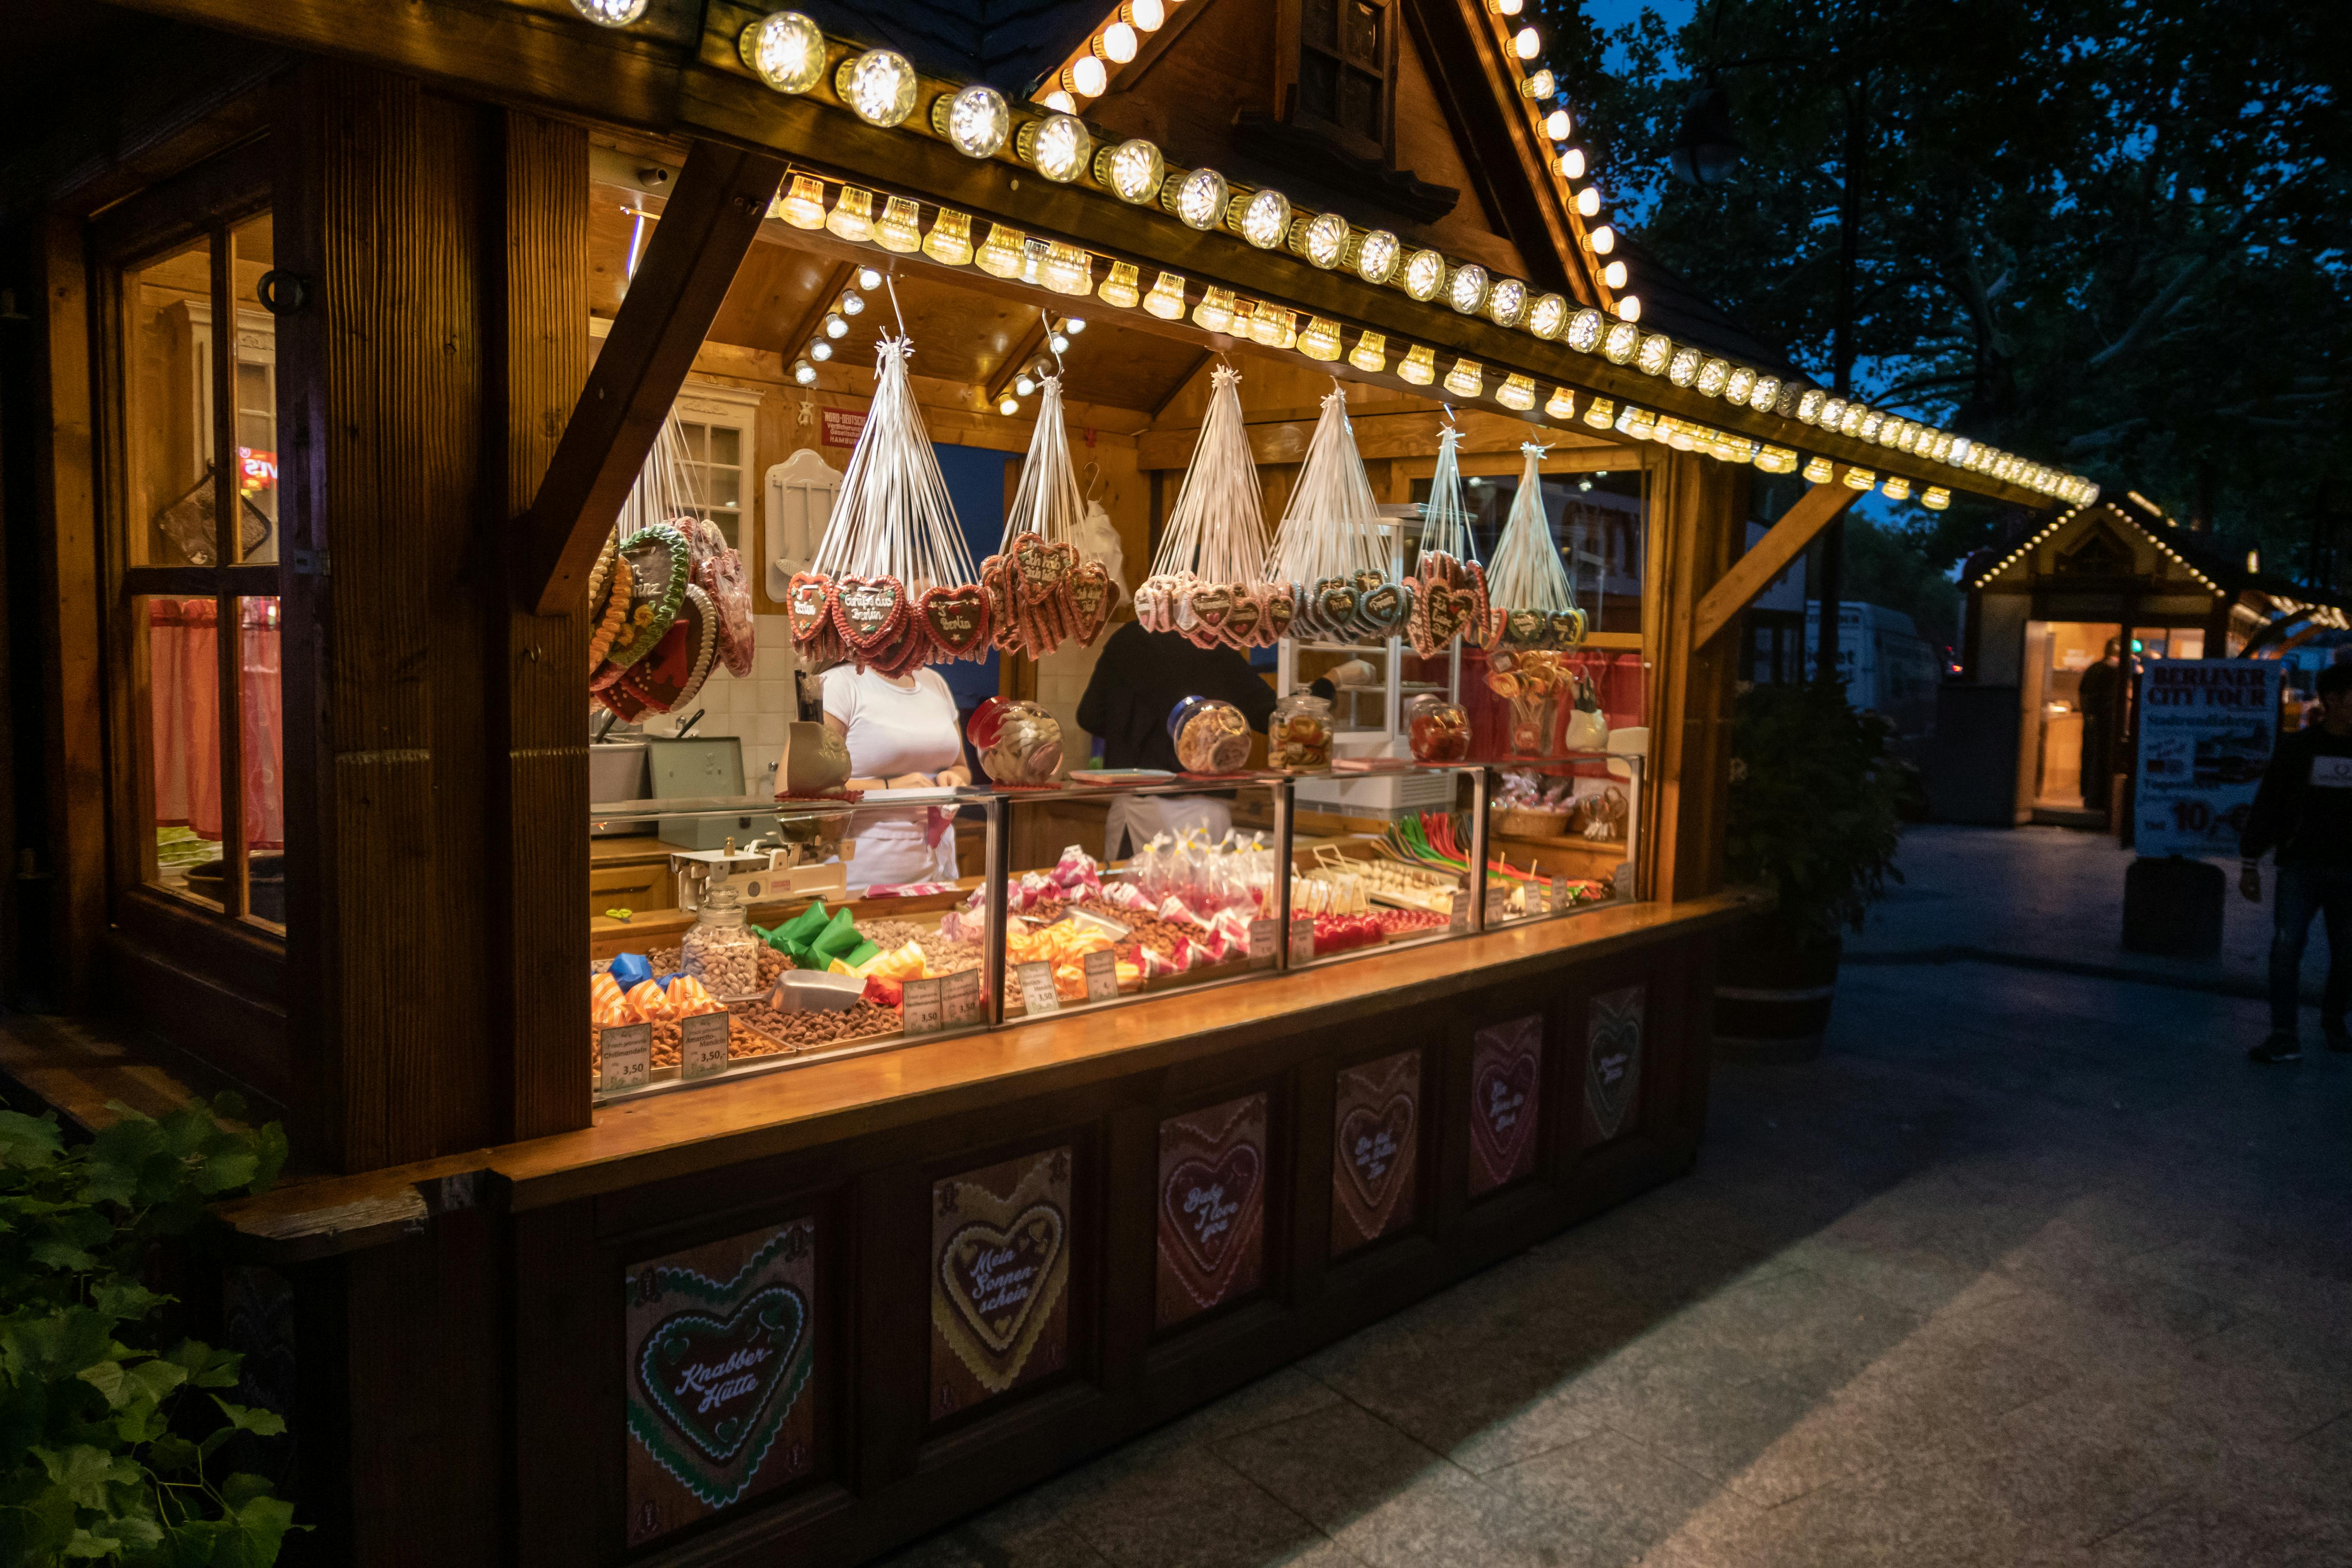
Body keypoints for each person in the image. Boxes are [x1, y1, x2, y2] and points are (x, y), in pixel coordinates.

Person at [1077, 621, 1280, 858]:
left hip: (1140, 804)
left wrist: (1130, 731)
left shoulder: (1129, 638)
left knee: (1130, 894)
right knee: (1207, 894)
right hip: (1209, 810)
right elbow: (1272, 716)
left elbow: (1089, 716)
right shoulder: (1214, 641)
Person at [2239, 659, 2352, 1062]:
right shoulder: (2298, 750)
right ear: (2334, 700)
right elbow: (2269, 806)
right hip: (2301, 866)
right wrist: (2250, 860)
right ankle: (2285, 1034)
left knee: (2347, 955)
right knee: (2286, 949)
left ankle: (2334, 1022)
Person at [819, 662, 970, 891]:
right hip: (861, 866)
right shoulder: (839, 683)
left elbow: (961, 768)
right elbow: (811, 784)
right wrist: (890, 788)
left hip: (934, 861)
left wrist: (953, 779)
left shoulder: (935, 682)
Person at [2075, 637, 2125, 810]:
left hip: (2091, 723)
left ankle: (2089, 797)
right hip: (2106, 724)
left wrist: (2088, 715)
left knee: (2090, 759)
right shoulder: (2113, 672)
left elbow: (2082, 695)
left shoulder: (2093, 669)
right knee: (2103, 762)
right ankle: (2099, 799)